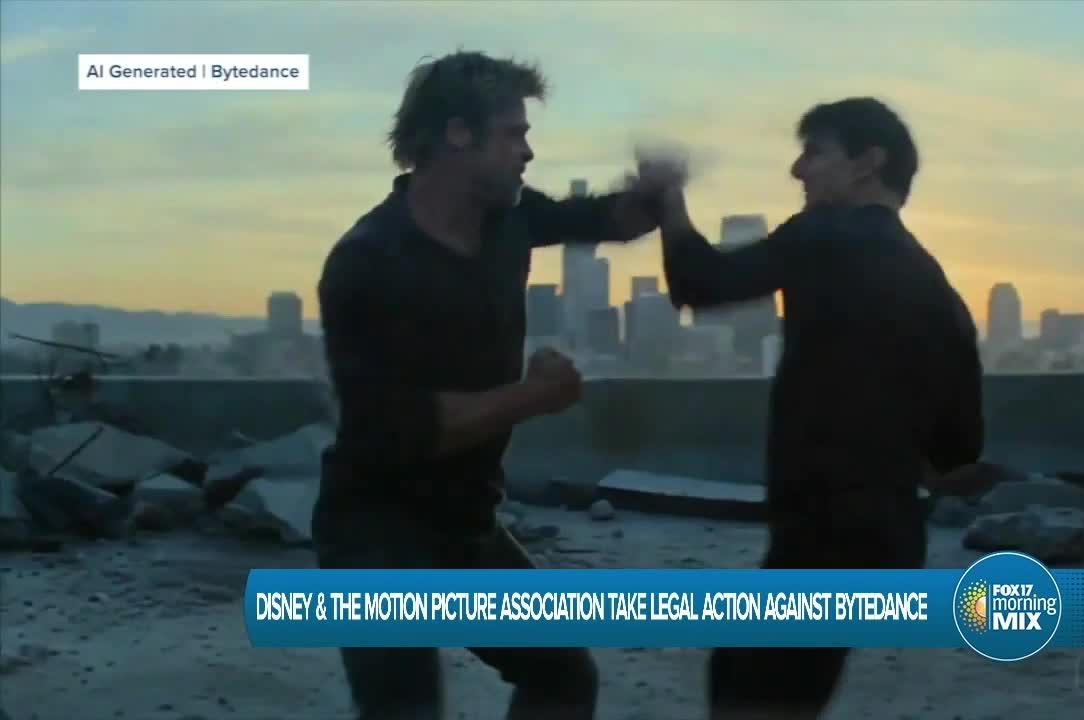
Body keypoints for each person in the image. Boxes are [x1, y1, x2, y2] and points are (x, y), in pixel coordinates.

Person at [311, 51, 674, 720]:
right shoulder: (367, 261)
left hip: (465, 523)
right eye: (513, 134)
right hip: (374, 535)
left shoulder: (508, 218)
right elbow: (396, 429)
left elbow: (601, 219)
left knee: (563, 678)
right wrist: (533, 396)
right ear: (457, 134)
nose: (527, 152)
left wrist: (652, 192)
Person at [647, 98, 985, 719]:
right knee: (768, 681)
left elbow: (700, 282)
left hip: (824, 535)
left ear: (867, 163)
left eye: (815, 153)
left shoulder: (825, 233)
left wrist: (668, 197)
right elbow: (959, 449)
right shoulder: (938, 287)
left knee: (750, 691)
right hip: (884, 537)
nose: (798, 171)